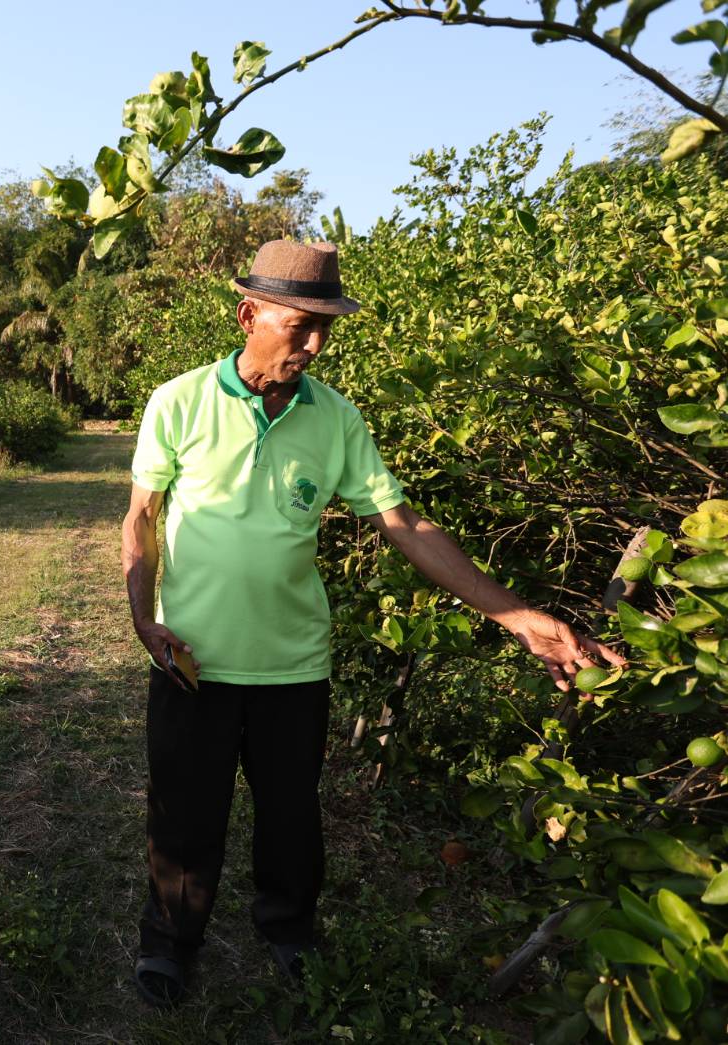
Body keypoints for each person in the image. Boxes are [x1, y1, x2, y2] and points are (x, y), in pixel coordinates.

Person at [121, 240, 624, 1007]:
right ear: (248, 314)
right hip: (192, 658)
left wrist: (515, 614)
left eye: (327, 328)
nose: (315, 345)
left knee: (291, 819)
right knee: (184, 817)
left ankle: (288, 932)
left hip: (292, 663)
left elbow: (404, 523)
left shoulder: (335, 418)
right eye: (300, 327)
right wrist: (142, 617)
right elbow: (140, 518)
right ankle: (170, 944)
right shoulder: (179, 400)